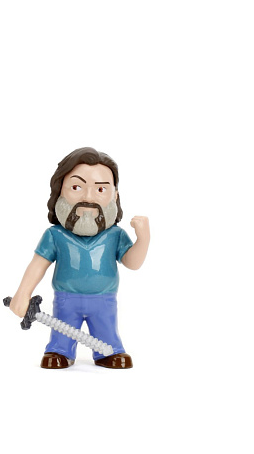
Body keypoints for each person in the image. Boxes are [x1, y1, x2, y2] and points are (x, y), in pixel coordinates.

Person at [9, 147, 150, 369]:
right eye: (76, 187)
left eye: (100, 189)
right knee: (61, 333)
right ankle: (60, 350)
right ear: (60, 192)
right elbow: (38, 264)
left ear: (115, 195)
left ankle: (109, 352)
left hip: (104, 301)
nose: (88, 197)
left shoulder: (115, 235)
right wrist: (22, 294)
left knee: (107, 333)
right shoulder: (55, 235)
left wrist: (143, 239)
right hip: (66, 299)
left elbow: (133, 263)